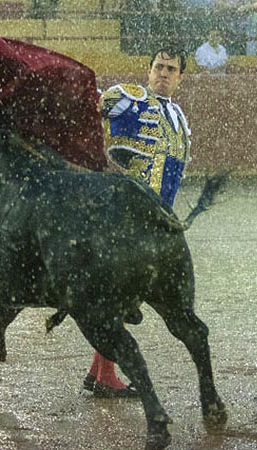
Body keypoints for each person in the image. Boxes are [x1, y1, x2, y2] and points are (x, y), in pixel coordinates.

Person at [83, 44, 192, 397]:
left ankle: (99, 373)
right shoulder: (131, 99)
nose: (163, 73)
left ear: (180, 77)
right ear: (148, 70)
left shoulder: (178, 116)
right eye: (159, 66)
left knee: (121, 297)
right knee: (120, 296)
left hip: (155, 219)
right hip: (130, 216)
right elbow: (93, 105)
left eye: (171, 69)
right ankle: (105, 376)